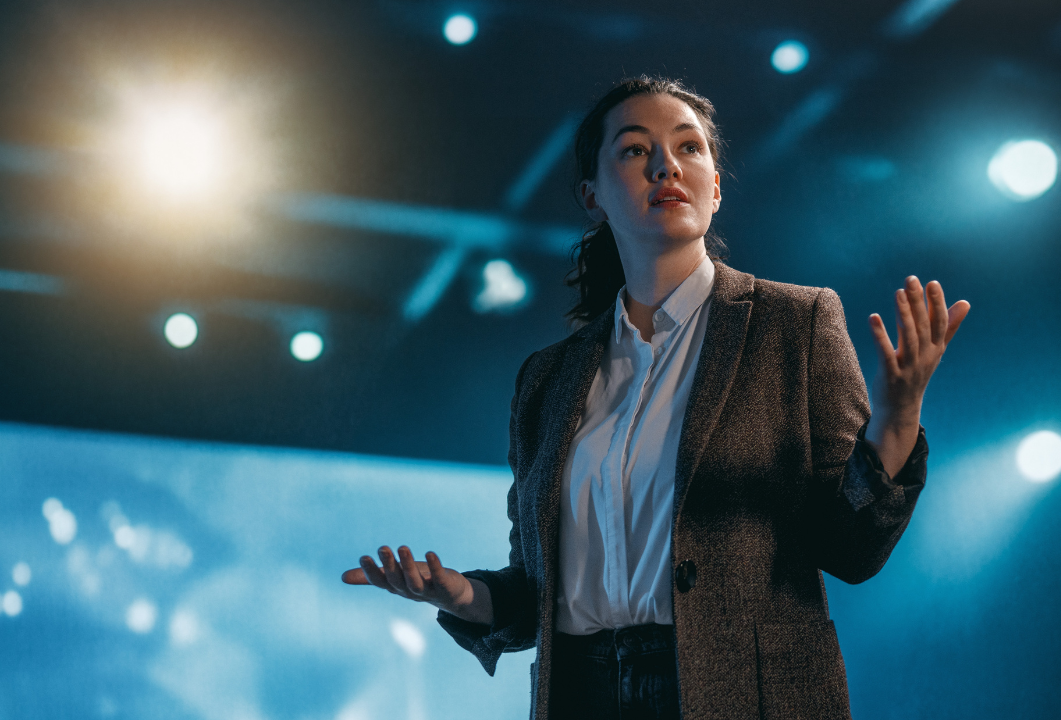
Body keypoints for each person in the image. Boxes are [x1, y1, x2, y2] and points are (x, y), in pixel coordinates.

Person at [342, 76, 969, 720]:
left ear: (716, 187)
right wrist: (464, 595)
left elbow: (852, 550)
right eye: (635, 150)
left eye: (689, 148)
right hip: (580, 697)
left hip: (740, 699)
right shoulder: (547, 379)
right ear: (593, 197)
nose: (667, 165)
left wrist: (896, 420)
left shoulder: (794, 322)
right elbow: (539, 591)